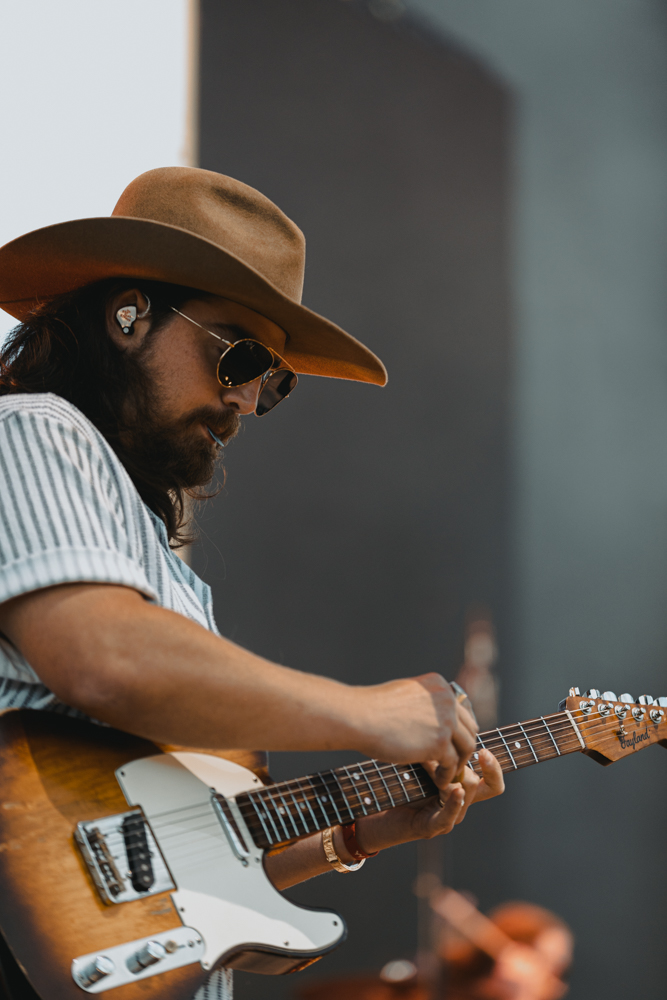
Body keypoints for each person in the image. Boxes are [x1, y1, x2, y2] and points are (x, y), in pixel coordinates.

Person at [0, 167, 504, 999]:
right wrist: (370, 713)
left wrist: (359, 834)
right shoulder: (33, 430)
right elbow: (100, 656)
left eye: (271, 379)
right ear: (127, 315)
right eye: (235, 352)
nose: (242, 397)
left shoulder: (155, 560)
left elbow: (178, 856)